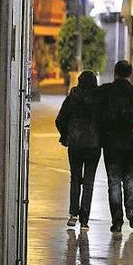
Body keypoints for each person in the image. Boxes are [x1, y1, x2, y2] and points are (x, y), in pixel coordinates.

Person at [100, 60, 133, 234]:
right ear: (130, 75)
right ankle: (130, 211)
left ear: (115, 73)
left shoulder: (106, 92)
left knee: (114, 182)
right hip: (131, 144)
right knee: (130, 179)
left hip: (111, 143)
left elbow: (96, 113)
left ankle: (117, 221)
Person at [55, 70, 102, 230]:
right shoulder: (99, 99)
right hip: (94, 145)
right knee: (89, 182)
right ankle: (84, 221)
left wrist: (66, 135)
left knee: (75, 178)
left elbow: (60, 119)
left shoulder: (73, 97)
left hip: (75, 144)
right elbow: (105, 121)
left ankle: (73, 214)